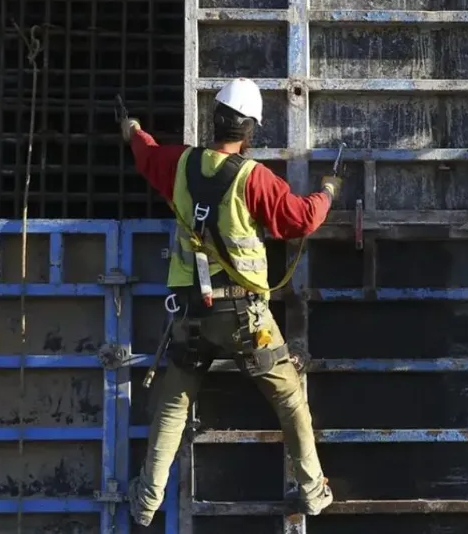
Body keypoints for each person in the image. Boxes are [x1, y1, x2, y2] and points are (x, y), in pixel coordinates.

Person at [120, 78, 344, 526]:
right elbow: (299, 219)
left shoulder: (178, 163)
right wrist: (329, 190)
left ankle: (146, 502)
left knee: (173, 403)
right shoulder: (252, 178)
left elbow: (146, 153)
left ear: (214, 120)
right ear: (250, 131)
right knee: (289, 399)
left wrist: (132, 128)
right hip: (245, 316)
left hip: (189, 316)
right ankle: (314, 491)